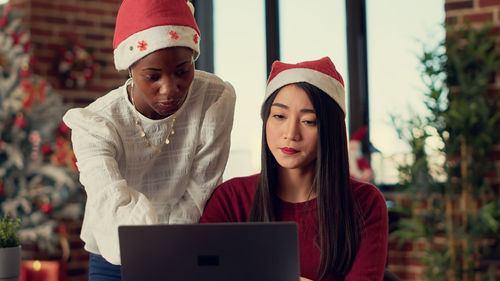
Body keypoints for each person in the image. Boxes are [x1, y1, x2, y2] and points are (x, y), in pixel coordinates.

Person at [63, 0, 236, 279]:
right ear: (130, 69)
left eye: (182, 70)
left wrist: (170, 247)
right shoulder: (96, 124)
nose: (170, 89)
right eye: (152, 76)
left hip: (182, 242)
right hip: (115, 251)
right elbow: (111, 202)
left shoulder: (214, 99)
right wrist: (150, 246)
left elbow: (200, 189)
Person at [200, 57, 388, 281]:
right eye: (279, 116)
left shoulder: (365, 203)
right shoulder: (230, 199)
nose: (290, 133)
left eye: (309, 121)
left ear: (331, 129)